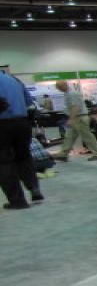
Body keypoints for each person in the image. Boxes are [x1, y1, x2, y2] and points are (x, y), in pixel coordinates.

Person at [0, 69, 43, 209]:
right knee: (24, 157)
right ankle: (34, 188)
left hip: (2, 125)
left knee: (4, 163)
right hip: (22, 123)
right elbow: (30, 104)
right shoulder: (14, 80)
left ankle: (17, 201)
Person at [53, 81, 97, 162]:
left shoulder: (73, 94)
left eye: (59, 87)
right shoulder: (68, 94)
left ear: (65, 85)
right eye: (57, 87)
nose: (59, 89)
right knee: (69, 137)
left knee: (87, 136)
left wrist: (71, 119)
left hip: (79, 118)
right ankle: (63, 154)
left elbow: (76, 107)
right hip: (76, 118)